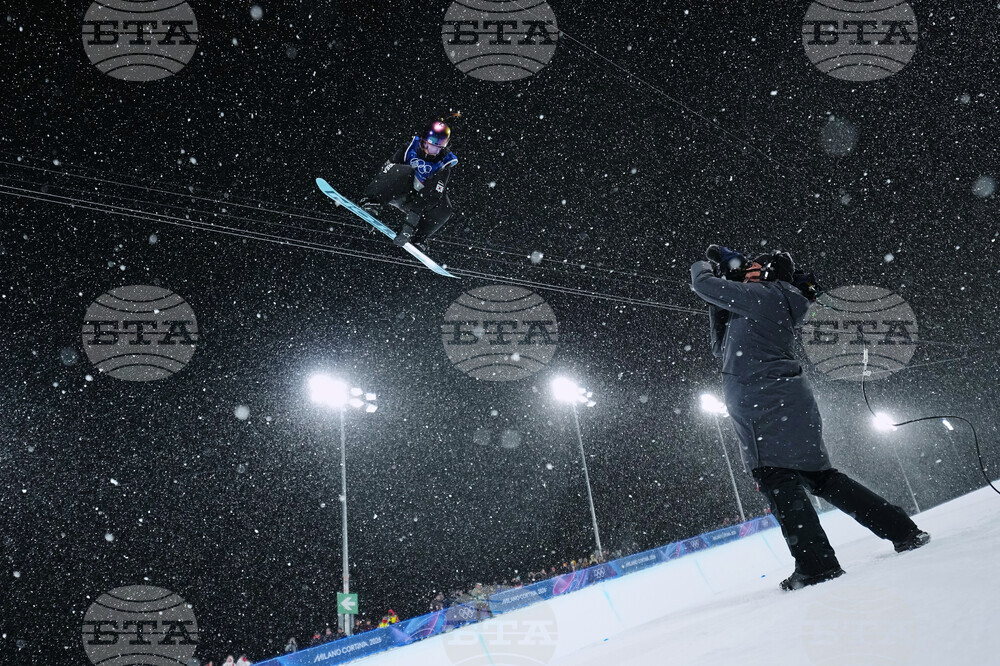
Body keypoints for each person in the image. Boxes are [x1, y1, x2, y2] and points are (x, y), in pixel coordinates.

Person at [690, 246, 930, 591]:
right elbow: (721, 346)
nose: (747, 273)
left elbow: (703, 284)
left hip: (761, 404)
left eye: (756, 270)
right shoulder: (775, 299)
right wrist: (725, 289)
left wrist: (704, 264)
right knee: (821, 478)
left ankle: (817, 566)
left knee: (777, 479)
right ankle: (902, 531)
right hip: (786, 399)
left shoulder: (762, 296)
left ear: (770, 275)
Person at [360, 116, 460, 251]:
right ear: (422, 141)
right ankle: (372, 201)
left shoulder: (444, 164)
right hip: (399, 190)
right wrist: (372, 197)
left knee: (445, 207)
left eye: (436, 149)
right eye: (427, 146)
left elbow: (432, 194)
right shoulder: (409, 149)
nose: (430, 152)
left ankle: (419, 237)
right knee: (404, 170)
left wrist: (409, 226)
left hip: (418, 200)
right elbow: (386, 171)